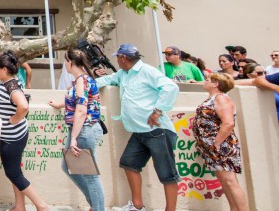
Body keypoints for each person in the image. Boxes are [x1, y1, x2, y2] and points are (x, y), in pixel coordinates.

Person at [95, 43, 179, 211]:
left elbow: (171, 87)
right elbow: (106, 80)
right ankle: (137, 205)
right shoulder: (122, 74)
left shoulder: (147, 71)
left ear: (123, 58)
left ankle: (170, 209)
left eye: (118, 57)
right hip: (139, 131)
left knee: (167, 173)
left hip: (158, 131)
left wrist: (157, 111)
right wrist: (83, 85)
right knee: (129, 163)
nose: (117, 60)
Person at [0, 51, 48, 211]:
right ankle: (20, 206)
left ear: (4, 69)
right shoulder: (10, 82)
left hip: (12, 137)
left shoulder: (11, 85)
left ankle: (42, 206)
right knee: (15, 171)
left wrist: (14, 119)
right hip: (12, 135)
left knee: (13, 173)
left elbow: (23, 106)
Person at [49, 49, 103, 211]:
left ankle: (97, 208)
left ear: (70, 63)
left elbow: (81, 110)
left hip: (83, 130)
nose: (64, 64)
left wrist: (73, 138)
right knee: (68, 166)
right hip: (81, 129)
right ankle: (95, 205)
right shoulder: (81, 80)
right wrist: (59, 104)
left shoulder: (82, 81)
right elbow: (76, 101)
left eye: (65, 61)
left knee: (90, 176)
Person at [191, 73, 249, 210]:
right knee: (225, 181)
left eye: (207, 80)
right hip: (211, 147)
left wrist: (216, 143)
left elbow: (228, 123)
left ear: (216, 83)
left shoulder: (221, 99)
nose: (205, 82)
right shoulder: (212, 99)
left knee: (230, 181)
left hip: (221, 146)